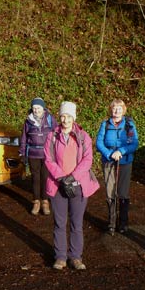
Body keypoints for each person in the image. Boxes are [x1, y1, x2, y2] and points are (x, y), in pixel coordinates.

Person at [44, 101, 100, 270]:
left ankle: (75, 257)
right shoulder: (51, 136)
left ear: (74, 117)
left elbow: (88, 160)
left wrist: (73, 177)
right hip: (57, 184)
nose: (65, 119)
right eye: (63, 115)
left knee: (77, 223)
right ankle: (60, 257)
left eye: (68, 116)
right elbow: (48, 159)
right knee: (59, 223)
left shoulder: (84, 136)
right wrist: (62, 178)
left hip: (78, 185)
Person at [96, 99, 139, 235]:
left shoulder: (129, 125)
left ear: (123, 110)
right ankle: (111, 222)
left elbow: (134, 143)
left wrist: (121, 151)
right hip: (108, 161)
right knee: (110, 191)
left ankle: (123, 222)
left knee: (123, 192)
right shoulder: (105, 124)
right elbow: (99, 143)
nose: (116, 111)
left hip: (124, 161)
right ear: (111, 109)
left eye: (119, 108)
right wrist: (110, 154)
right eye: (114, 108)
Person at [19, 97, 57, 216]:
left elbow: (57, 134)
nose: (36, 110)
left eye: (38, 108)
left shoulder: (50, 119)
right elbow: (24, 138)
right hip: (33, 154)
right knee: (35, 178)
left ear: (43, 108)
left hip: (47, 154)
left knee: (45, 177)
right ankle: (36, 201)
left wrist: (57, 152)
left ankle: (45, 201)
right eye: (34, 108)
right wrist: (22, 153)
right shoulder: (28, 121)